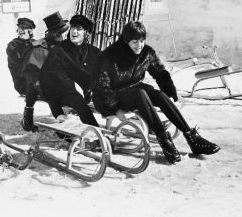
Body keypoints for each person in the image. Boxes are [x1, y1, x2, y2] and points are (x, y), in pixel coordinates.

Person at [92, 21, 220, 164]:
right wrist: (116, 109)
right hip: (110, 95)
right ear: (126, 40)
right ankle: (164, 140)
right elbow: (101, 86)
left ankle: (191, 137)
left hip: (134, 89)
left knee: (158, 95)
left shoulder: (146, 53)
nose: (139, 45)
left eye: (141, 41)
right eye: (135, 42)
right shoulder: (109, 56)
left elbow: (159, 72)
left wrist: (168, 91)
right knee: (141, 93)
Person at [40, 14, 100, 128]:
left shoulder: (93, 51)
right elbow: (53, 74)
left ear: (86, 33)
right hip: (62, 91)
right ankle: (97, 135)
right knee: (81, 105)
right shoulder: (59, 50)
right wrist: (73, 86)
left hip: (86, 93)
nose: (74, 31)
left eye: (79, 29)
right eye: (73, 28)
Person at [20, 11, 70, 132]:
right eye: (60, 35)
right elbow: (30, 71)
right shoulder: (40, 49)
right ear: (55, 35)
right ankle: (59, 121)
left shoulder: (61, 47)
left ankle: (63, 119)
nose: (62, 37)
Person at [6, 17, 36, 95]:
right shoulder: (13, 45)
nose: (21, 30)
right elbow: (20, 59)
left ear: (30, 31)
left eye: (24, 28)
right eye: (19, 28)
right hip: (22, 84)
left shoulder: (34, 43)